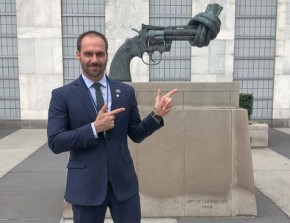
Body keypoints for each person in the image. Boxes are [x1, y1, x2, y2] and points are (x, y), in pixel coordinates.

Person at [47, 30, 177, 223]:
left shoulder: (125, 91)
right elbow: (55, 142)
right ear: (78, 55)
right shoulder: (62, 96)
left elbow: (136, 134)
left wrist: (156, 115)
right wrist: (94, 128)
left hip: (124, 185)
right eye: (88, 54)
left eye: (99, 53)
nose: (94, 59)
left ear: (107, 55)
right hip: (85, 187)